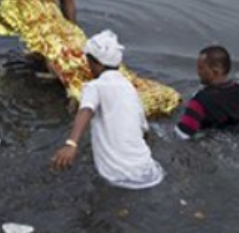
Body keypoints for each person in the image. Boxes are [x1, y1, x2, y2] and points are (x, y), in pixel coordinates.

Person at [50, 31, 165, 189]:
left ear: (98, 63)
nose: (87, 66)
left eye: (88, 61)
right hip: (149, 172)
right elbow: (144, 130)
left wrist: (71, 144)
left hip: (116, 176)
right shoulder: (129, 88)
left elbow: (86, 110)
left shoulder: (95, 86)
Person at [175, 45, 239, 139]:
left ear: (216, 71)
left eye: (201, 68)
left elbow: (183, 134)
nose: (198, 72)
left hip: (213, 140)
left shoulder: (199, 102)